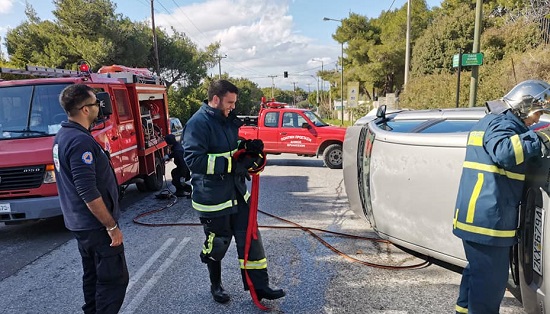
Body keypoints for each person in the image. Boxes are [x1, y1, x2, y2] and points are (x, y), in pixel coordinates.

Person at [182, 80, 285, 304]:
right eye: (230, 102)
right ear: (216, 99)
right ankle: (216, 285)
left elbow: (231, 145)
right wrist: (232, 164)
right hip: (212, 197)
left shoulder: (226, 120)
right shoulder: (198, 123)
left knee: (250, 236)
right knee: (218, 242)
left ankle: (260, 286)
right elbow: (194, 160)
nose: (233, 107)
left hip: (236, 191)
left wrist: (246, 148)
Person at [453, 79, 550, 314]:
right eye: (537, 113)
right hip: (488, 224)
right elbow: (505, 152)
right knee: (489, 287)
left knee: (476, 277)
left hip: (479, 219)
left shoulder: (493, 121)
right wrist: (542, 138)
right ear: (524, 104)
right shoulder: (502, 123)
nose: (538, 119)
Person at [53, 84, 129, 314]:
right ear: (85, 110)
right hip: (95, 227)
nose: (99, 107)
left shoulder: (64, 135)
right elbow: (87, 190)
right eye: (96, 103)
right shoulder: (80, 141)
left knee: (93, 276)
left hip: (80, 225)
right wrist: (111, 226)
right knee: (114, 280)